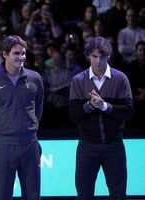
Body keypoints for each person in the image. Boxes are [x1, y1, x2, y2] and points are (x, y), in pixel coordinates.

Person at [0, 35, 44, 200]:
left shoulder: (35, 78)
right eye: (16, 53)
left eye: (23, 53)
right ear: (5, 54)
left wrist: (29, 127)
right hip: (3, 146)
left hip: (30, 144)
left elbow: (38, 109)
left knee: (33, 195)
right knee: (1, 196)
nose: (21, 57)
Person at [69, 36, 134, 199]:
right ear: (88, 57)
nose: (98, 61)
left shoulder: (120, 79)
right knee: (84, 194)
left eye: (102, 56)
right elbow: (74, 115)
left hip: (114, 146)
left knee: (118, 194)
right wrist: (90, 105)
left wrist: (104, 106)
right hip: (87, 146)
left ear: (109, 56)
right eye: (94, 56)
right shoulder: (78, 80)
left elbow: (128, 111)